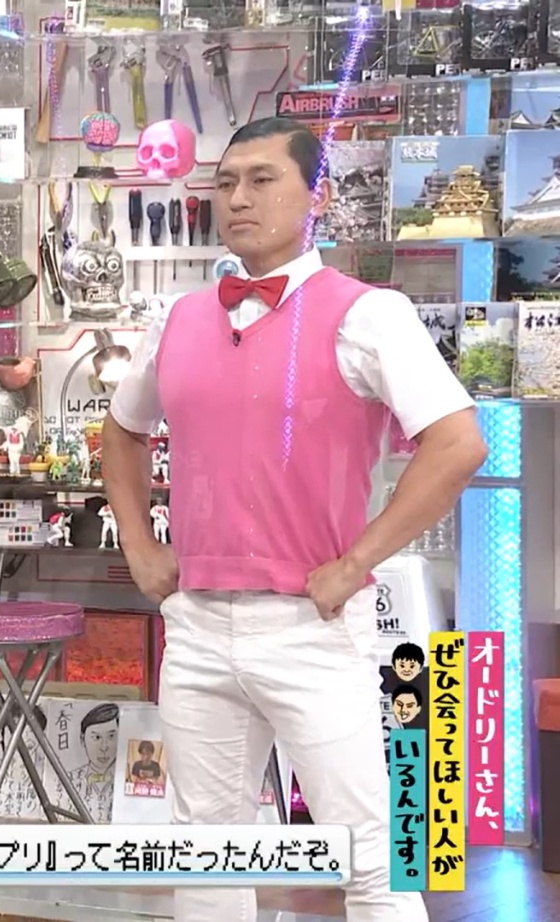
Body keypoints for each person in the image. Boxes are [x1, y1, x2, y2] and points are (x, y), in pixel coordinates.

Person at [101, 117, 487, 922]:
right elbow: (123, 430)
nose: (239, 198)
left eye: (263, 179)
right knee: (205, 857)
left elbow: (457, 445)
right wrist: (139, 543)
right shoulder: (181, 317)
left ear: (317, 196)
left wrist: (355, 563)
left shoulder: (367, 314)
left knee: (368, 862)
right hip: (198, 622)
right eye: (226, 182)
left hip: (314, 626)